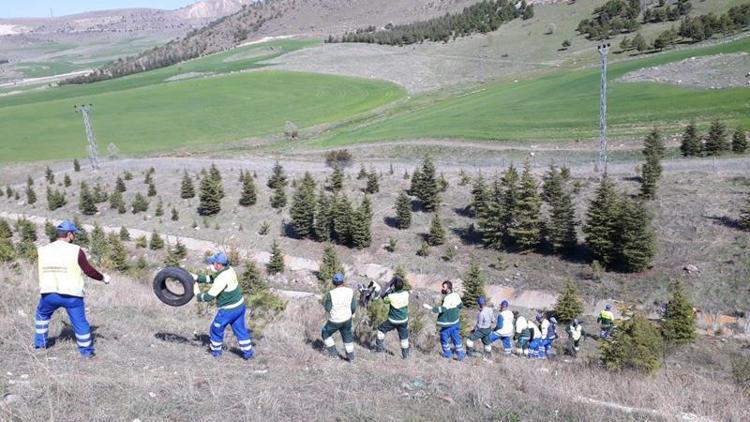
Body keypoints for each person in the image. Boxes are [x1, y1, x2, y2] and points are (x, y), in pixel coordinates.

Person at [34, 220, 111, 358]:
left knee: (42, 316)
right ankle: (86, 353)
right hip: (72, 295)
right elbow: (88, 271)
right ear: (69, 234)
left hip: (49, 293)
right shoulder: (75, 250)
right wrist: (103, 278)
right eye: (73, 234)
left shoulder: (43, 250)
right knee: (80, 323)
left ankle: (40, 345)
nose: (73, 236)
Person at [192, 252, 253, 360]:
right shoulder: (229, 270)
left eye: (213, 263)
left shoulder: (221, 278)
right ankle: (248, 353)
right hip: (240, 307)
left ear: (218, 264)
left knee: (215, 329)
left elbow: (209, 296)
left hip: (228, 311)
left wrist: (197, 293)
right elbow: (212, 278)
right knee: (240, 330)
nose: (212, 264)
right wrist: (197, 277)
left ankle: (215, 352)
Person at [423, 281, 465, 361]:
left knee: (443, 336)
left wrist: (431, 308)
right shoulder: (456, 295)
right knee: (456, 338)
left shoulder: (448, 298)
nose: (442, 289)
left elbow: (443, 309)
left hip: (448, 323)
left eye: (444, 287)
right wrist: (454, 309)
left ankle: (447, 353)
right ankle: (460, 355)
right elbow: (460, 305)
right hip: (455, 321)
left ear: (448, 288)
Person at [321, 273, 357, 361]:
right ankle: (351, 358)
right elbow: (353, 306)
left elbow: (327, 308)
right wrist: (351, 313)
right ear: (343, 281)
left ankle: (333, 354)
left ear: (333, 282)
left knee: (325, 333)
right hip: (347, 319)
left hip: (335, 320)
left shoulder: (331, 293)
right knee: (347, 336)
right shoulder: (350, 291)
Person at [374, 276, 410, 359]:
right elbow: (399, 293)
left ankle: (379, 349)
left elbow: (383, 297)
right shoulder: (406, 294)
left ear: (394, 286)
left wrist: (389, 284)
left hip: (393, 320)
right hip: (404, 320)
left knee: (381, 330)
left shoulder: (391, 297)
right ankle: (405, 356)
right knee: (404, 338)